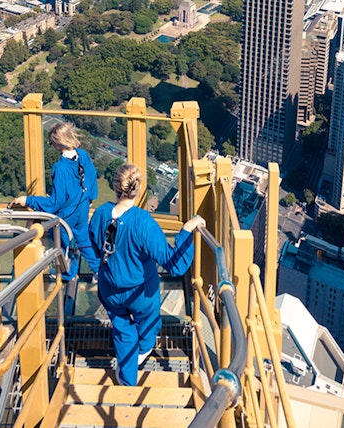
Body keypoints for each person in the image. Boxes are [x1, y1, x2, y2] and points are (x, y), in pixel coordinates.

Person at [89, 163, 205, 386]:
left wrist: (102, 269)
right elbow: (175, 265)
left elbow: (93, 246)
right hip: (141, 292)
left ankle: (127, 381)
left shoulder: (101, 214)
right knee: (148, 327)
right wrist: (187, 230)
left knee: (123, 333)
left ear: (115, 186)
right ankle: (141, 352)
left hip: (111, 290)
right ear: (139, 189)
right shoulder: (142, 222)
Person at [10, 122, 99, 281]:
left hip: (67, 214)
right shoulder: (83, 155)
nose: (51, 145)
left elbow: (54, 203)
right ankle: (99, 270)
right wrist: (90, 199)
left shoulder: (60, 168)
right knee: (84, 240)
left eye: (52, 142)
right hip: (83, 208)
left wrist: (28, 200)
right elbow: (92, 179)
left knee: (65, 245)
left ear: (58, 143)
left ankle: (69, 274)